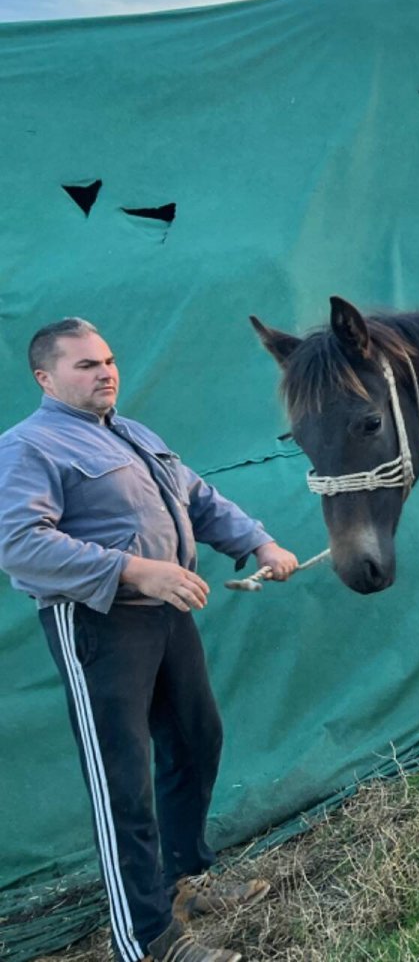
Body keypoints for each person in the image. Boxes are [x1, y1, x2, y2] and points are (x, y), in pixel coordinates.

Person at [0, 318, 299, 962]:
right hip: (98, 626)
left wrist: (258, 541)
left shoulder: (132, 433)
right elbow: (19, 545)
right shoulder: (28, 446)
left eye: (108, 359)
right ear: (44, 378)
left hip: (168, 615)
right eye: (85, 365)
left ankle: (184, 882)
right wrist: (135, 569)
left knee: (197, 740)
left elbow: (197, 497)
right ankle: (147, 940)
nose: (105, 371)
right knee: (123, 784)